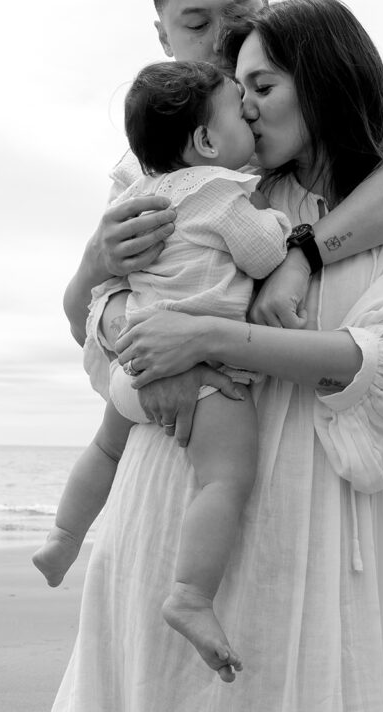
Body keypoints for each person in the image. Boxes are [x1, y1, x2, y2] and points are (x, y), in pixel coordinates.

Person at [52, 0, 383, 711]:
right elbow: (100, 316)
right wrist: (144, 353)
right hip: (171, 503)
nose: (246, 110)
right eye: (239, 93)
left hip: (311, 519)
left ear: (328, 80)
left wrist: (209, 337)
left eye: (264, 89)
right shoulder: (219, 190)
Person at [62, 0, 383, 455]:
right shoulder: (150, 171)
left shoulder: (338, 150)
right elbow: (88, 319)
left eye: (238, 13)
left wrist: (301, 254)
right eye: (197, 24)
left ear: (264, 9)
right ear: (164, 38)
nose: (222, 37)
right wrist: (106, 283)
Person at [35, 60, 291, 678]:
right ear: (207, 142)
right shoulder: (221, 191)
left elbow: (106, 288)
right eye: (238, 106)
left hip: (132, 362)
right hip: (198, 370)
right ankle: (191, 597)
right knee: (224, 480)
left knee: (104, 447)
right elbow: (262, 253)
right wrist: (282, 223)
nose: (251, 115)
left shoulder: (137, 194)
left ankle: (64, 537)